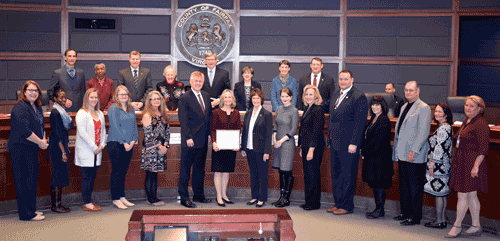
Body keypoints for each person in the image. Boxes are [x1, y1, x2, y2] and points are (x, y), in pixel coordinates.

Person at [446, 95, 489, 238]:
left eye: (471, 106)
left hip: (472, 164)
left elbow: (483, 149)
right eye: (466, 105)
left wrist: (475, 166)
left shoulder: (481, 124)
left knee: (463, 195)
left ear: (479, 109)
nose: (467, 108)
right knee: (471, 195)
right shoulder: (467, 120)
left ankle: (457, 226)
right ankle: (476, 225)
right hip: (462, 161)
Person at [326, 69, 368, 215]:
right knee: (336, 174)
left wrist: (354, 143)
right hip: (335, 141)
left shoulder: (359, 96)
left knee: (348, 175)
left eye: (345, 79)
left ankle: (346, 205)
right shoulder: (336, 93)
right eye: (341, 79)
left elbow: (360, 122)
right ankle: (338, 203)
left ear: (352, 80)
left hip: (349, 144)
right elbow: (332, 117)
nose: (342, 81)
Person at [392, 81, 431, 226]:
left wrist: (413, 151)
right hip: (402, 153)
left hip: (414, 155)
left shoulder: (423, 108)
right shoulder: (403, 106)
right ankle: (405, 212)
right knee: (404, 186)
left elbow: (423, 132)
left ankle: (415, 217)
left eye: (411, 90)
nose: (408, 93)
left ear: (418, 91)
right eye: (406, 90)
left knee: (415, 188)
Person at [8, 80, 48, 221]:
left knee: (31, 180)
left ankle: (31, 209)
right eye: (30, 90)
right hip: (20, 149)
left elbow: (40, 125)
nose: (33, 93)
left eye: (36, 91)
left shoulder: (35, 107)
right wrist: (40, 142)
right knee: (23, 181)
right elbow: (25, 131)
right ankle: (26, 214)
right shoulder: (20, 107)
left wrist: (43, 140)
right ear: (23, 92)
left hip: (31, 148)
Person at [178, 71, 212, 208]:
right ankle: (184, 198)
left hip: (203, 139)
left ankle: (198, 195)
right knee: (185, 170)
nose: (198, 83)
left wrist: (209, 134)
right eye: (196, 81)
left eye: (200, 81)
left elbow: (208, 117)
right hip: (190, 140)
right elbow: (183, 120)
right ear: (191, 82)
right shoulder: (185, 97)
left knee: (200, 170)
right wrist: (188, 137)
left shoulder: (206, 95)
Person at [360, 96, 393, 219]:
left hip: (380, 159)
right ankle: (378, 208)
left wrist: (364, 150)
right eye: (373, 105)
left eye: (377, 105)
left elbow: (377, 141)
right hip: (373, 157)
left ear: (383, 106)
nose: (375, 107)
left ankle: (380, 209)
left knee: (379, 183)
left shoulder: (383, 120)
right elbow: (367, 137)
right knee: (375, 183)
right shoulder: (374, 118)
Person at [106, 85, 139, 209]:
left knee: (123, 172)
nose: (123, 96)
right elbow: (115, 126)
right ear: (116, 96)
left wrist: (132, 141)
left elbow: (134, 126)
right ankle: (115, 198)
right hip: (116, 143)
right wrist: (124, 142)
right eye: (121, 94)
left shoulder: (130, 108)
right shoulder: (113, 108)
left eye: (125, 94)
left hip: (129, 144)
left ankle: (122, 196)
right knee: (116, 171)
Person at [241, 88, 273, 208]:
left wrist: (266, 152)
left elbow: (268, 134)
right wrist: (243, 148)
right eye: (253, 98)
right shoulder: (248, 113)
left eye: (257, 98)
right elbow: (245, 131)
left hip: (261, 150)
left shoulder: (267, 114)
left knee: (262, 174)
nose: (255, 100)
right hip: (249, 149)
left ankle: (262, 198)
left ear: (261, 99)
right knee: (253, 173)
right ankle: (254, 196)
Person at [75, 88, 106, 211]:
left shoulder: (100, 114)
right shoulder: (82, 113)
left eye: (96, 97)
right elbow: (82, 133)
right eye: (91, 97)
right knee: (87, 178)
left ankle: (88, 201)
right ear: (86, 98)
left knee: (92, 177)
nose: (94, 100)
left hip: (97, 151)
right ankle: (87, 202)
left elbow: (103, 131)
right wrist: (94, 147)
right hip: (87, 150)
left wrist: (102, 145)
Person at [423, 103, 453, 229]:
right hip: (444, 165)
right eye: (436, 111)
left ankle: (439, 221)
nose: (437, 114)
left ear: (446, 114)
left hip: (438, 166)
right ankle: (441, 220)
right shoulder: (446, 127)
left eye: (440, 112)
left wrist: (431, 165)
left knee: (439, 194)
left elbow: (439, 149)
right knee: (442, 194)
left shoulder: (443, 129)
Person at [210, 89, 242, 207]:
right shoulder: (216, 112)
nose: (228, 99)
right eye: (226, 97)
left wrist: (238, 143)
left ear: (232, 99)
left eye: (230, 97)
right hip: (219, 146)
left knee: (227, 171)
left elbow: (238, 129)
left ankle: (224, 194)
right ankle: (218, 195)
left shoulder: (236, 113)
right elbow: (212, 129)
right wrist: (214, 142)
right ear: (222, 99)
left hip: (231, 147)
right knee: (218, 171)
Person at [47, 87, 74, 213]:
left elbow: (68, 127)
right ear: (55, 99)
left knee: (61, 174)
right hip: (57, 147)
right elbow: (57, 134)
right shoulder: (55, 113)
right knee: (57, 175)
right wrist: (63, 152)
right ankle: (55, 205)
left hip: (61, 145)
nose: (63, 99)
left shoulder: (62, 111)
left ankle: (58, 204)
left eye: (64, 97)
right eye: (61, 97)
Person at [298, 85, 325, 211]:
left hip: (314, 147)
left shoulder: (318, 109)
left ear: (316, 96)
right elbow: (304, 130)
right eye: (306, 94)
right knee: (308, 174)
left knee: (313, 174)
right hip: (306, 146)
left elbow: (316, 131)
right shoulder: (307, 108)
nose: (308, 97)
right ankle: (309, 201)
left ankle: (314, 203)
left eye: (311, 94)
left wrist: (311, 149)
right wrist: (301, 147)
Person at [141, 91, 170, 206]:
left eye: (158, 98)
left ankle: (154, 197)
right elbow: (148, 135)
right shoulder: (148, 115)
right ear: (149, 101)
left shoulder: (163, 115)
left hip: (161, 149)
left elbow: (167, 132)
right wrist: (159, 146)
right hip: (151, 149)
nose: (156, 101)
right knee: (150, 174)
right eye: (153, 99)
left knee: (155, 174)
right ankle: (151, 199)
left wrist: (166, 146)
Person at [271, 87, 299, 208]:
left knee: (286, 170)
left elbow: (293, 130)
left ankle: (286, 198)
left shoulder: (294, 110)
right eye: (282, 96)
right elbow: (275, 126)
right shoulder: (278, 109)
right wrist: (275, 140)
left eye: (287, 96)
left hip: (287, 143)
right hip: (277, 143)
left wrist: (281, 140)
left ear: (291, 97)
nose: (284, 99)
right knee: (280, 170)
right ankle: (281, 197)